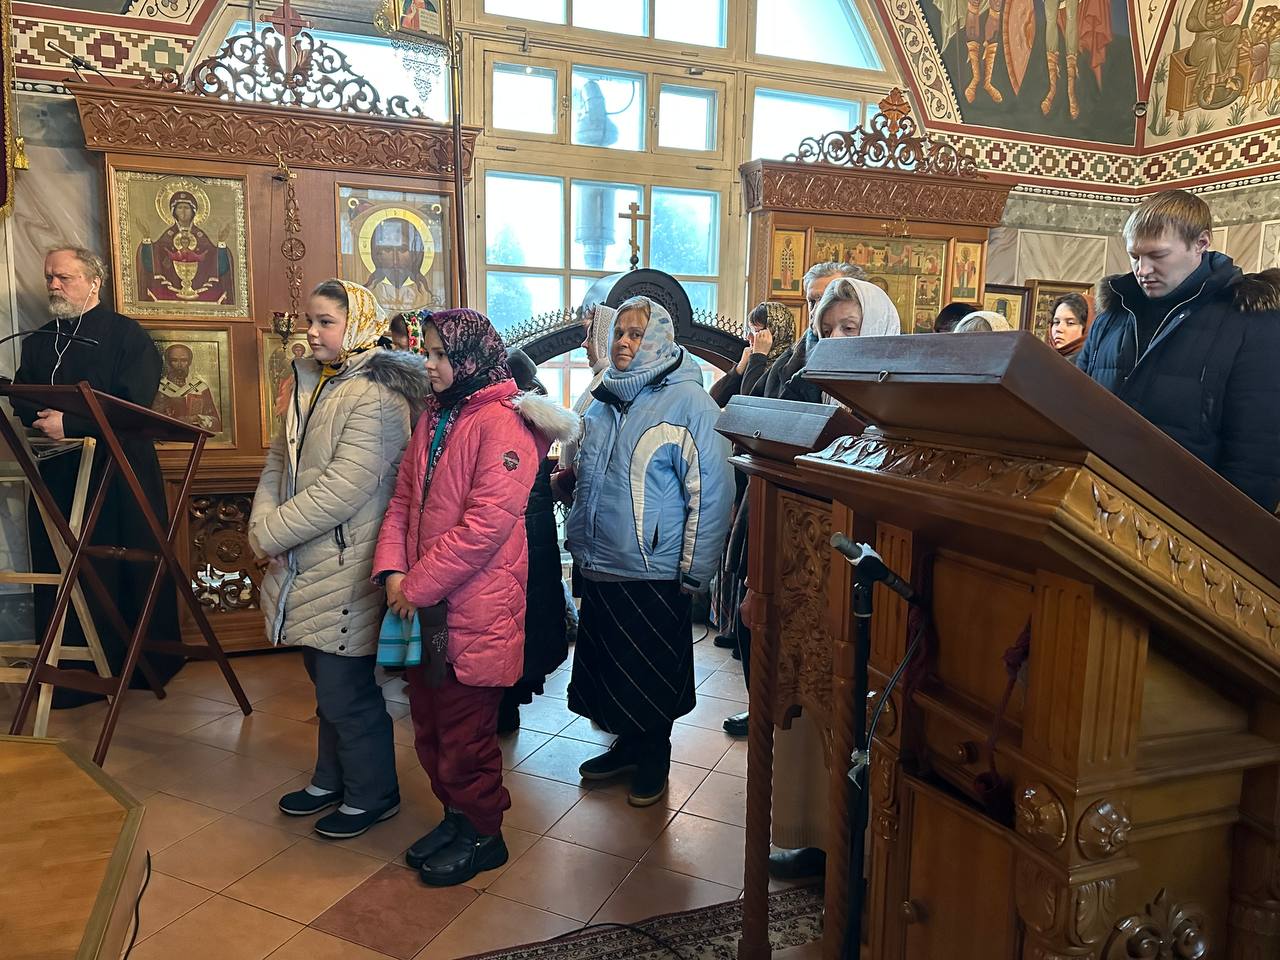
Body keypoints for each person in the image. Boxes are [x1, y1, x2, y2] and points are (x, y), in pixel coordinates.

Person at [374, 308, 577, 887]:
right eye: (427, 352)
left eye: (441, 355)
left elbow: (485, 527)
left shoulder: (503, 423)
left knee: (465, 736)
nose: (429, 364)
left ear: (469, 358)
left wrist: (414, 585)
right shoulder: (436, 415)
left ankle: (485, 835)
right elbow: (403, 500)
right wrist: (392, 570)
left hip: (474, 613)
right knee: (430, 725)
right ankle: (455, 818)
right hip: (427, 609)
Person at [249, 279, 426, 841]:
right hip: (305, 557)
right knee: (325, 688)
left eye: (326, 321)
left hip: (348, 562)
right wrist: (262, 526)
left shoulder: (377, 395)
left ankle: (374, 794)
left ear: (359, 324)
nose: (311, 331)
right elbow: (278, 462)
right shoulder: (312, 382)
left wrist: (271, 533)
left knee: (346, 690)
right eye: (310, 320)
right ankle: (331, 779)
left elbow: (344, 488)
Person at [758, 276, 903, 881]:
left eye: (851, 327)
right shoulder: (805, 392)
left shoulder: (904, 406)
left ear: (880, 330)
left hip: (866, 588)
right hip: (807, 578)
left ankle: (861, 858)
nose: (837, 340)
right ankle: (813, 836)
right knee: (809, 707)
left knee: (858, 714)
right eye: (827, 330)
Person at [565, 296, 733, 807]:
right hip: (601, 562)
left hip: (653, 570)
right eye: (618, 332)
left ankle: (654, 757)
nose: (623, 342)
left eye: (635, 334)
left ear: (658, 338)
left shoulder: (690, 405)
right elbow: (584, 474)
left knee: (651, 671)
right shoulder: (601, 397)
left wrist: (696, 570)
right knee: (613, 668)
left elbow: (712, 492)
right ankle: (627, 748)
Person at [13, 246, 183, 706]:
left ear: (94, 281)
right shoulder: (39, 339)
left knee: (115, 564)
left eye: (64, 277)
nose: (53, 285)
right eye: (49, 277)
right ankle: (71, 670)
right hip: (57, 471)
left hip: (117, 472)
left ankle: (135, 667)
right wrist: (43, 420)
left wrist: (72, 423)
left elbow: (133, 404)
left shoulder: (128, 336)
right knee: (63, 566)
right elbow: (23, 393)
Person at [1078, 189, 1280, 511]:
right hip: (1094, 503)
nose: (1143, 270)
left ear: (1201, 243)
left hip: (1190, 517)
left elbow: (1257, 450)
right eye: (1135, 256)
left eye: (1157, 256)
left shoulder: (1249, 320)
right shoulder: (1112, 317)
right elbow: (1075, 409)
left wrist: (1231, 530)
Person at [498, 347, 576, 734]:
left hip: (516, 536)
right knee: (526, 621)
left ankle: (503, 707)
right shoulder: (539, 417)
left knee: (510, 622)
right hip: (535, 535)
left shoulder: (508, 418)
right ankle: (509, 704)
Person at [138, 189, 233, 304]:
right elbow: (152, 262)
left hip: (200, 290)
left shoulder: (200, 236)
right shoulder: (168, 235)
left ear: (193, 211)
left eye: (187, 208)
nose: (183, 212)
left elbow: (217, 264)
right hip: (169, 289)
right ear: (173, 211)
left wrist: (221, 243)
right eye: (180, 208)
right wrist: (146, 239)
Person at [153, 343, 222, 433]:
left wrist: (196, 418)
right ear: (168, 363)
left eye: (184, 360)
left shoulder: (200, 387)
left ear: (189, 362)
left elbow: (216, 423)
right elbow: (152, 421)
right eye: (174, 360)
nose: (179, 365)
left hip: (194, 435)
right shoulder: (160, 387)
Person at [1048, 292, 1090, 362]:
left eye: (1070, 323)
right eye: (1056, 322)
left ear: (1087, 329)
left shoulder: (1093, 365)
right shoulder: (1042, 358)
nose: (1059, 329)